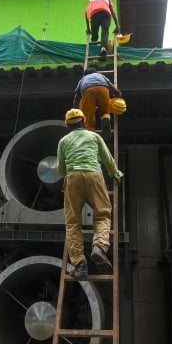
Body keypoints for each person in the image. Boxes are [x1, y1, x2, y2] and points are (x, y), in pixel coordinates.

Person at [57, 108, 124, 279]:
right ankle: (99, 248)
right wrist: (115, 174)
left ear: (67, 125)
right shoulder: (94, 136)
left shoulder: (63, 141)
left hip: (72, 177)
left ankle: (80, 265)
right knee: (102, 214)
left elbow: (60, 169)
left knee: (73, 223)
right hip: (94, 175)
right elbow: (107, 158)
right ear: (84, 121)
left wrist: (68, 180)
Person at [73, 67, 122, 138]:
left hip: (88, 91)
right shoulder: (101, 76)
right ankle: (105, 119)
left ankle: (89, 133)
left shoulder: (82, 79)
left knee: (88, 116)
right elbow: (115, 90)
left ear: (85, 74)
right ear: (96, 72)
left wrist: (76, 109)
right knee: (105, 111)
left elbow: (76, 98)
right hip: (103, 89)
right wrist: (117, 97)